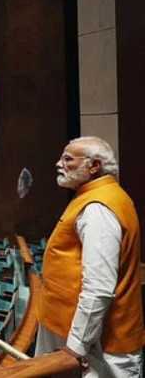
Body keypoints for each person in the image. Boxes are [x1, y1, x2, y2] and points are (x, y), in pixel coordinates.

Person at [36, 136, 144, 377]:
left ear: (94, 166)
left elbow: (99, 287)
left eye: (68, 159)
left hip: (99, 345)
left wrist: (76, 347)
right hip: (78, 334)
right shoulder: (98, 196)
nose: (58, 164)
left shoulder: (98, 207)